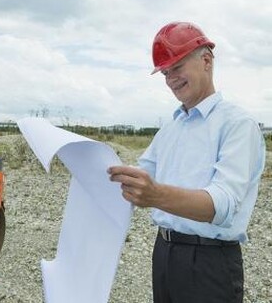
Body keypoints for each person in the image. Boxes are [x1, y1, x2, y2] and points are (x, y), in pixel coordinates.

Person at [108, 21, 266, 303]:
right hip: (165, 253)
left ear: (206, 61)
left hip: (210, 261)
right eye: (165, 72)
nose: (170, 79)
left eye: (176, 67)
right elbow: (141, 174)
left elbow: (221, 206)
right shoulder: (172, 127)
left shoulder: (237, 125)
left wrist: (155, 195)